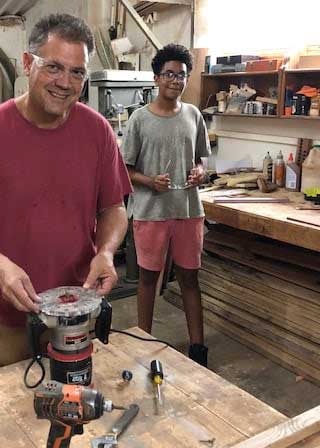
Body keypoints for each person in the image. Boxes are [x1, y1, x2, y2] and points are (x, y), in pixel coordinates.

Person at [0, 13, 132, 367]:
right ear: (28, 63)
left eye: (77, 72)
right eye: (54, 67)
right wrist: (0, 267)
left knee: (75, 400)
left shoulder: (98, 132)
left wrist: (106, 253)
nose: (65, 82)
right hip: (14, 309)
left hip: (79, 304)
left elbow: (113, 208)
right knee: (19, 406)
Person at [121, 44, 211, 367]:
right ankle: (143, 343)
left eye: (181, 75)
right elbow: (125, 170)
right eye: (169, 74)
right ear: (157, 78)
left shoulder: (194, 115)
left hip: (187, 210)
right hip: (151, 212)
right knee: (147, 280)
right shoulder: (139, 120)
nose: (175, 80)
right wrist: (149, 182)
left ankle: (198, 350)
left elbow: (202, 161)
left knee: (190, 279)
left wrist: (200, 172)